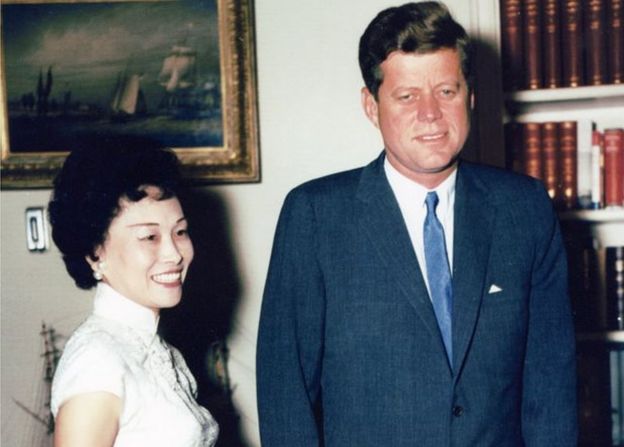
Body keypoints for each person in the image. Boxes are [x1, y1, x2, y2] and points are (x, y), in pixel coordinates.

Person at [256, 2, 577, 446]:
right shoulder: (315, 216)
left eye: (446, 91)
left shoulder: (524, 209)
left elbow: (551, 382)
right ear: (371, 106)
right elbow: (285, 393)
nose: (430, 114)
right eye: (407, 96)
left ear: (470, 96)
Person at [48, 137, 219, 446]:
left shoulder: (156, 349)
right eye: (149, 236)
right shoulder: (97, 363)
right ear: (94, 252)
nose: (174, 253)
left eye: (180, 232)